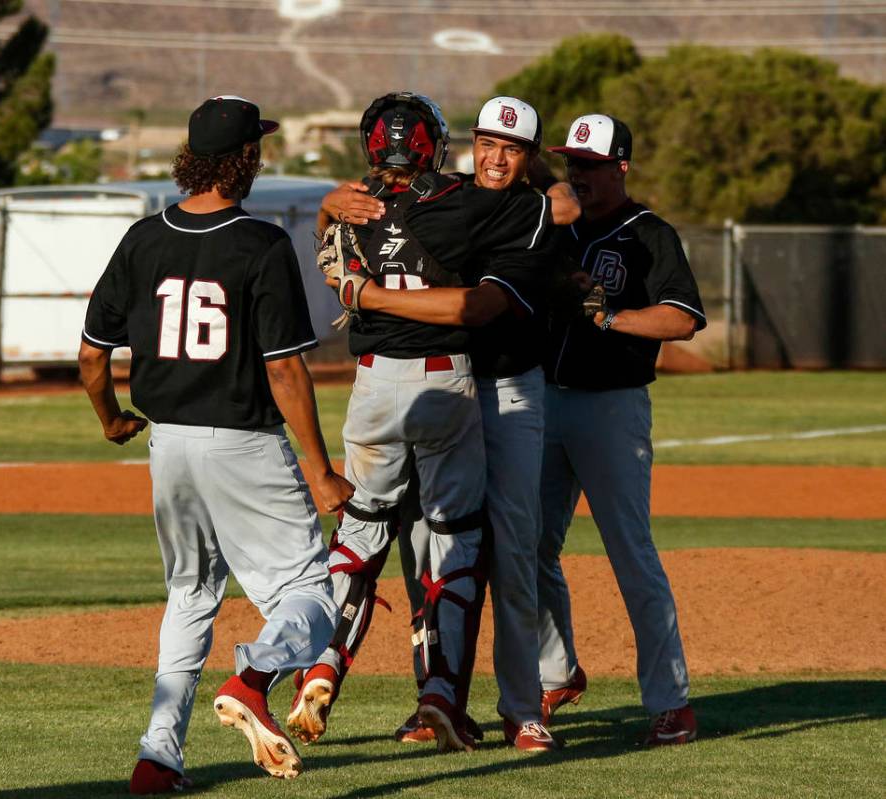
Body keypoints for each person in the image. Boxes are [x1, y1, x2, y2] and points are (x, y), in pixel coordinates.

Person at [287, 91, 580, 754]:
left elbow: (560, 210)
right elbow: (377, 219)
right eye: (489, 143)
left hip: (468, 387)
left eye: (513, 148)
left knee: (456, 540)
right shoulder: (457, 198)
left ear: (529, 158)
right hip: (449, 386)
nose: (497, 156)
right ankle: (439, 695)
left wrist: (346, 245)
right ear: (460, 144)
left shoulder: (516, 209)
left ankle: (512, 703)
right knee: (443, 548)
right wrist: (336, 203)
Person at [78, 95, 353, 793]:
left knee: (190, 595)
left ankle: (157, 754)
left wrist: (111, 417)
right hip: (243, 446)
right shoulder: (259, 243)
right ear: (245, 161)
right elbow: (285, 366)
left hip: (165, 444)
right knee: (313, 595)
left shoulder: (144, 237)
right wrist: (321, 470)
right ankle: (256, 677)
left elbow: (90, 355)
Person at [537, 114, 706, 746]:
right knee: (527, 549)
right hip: (542, 401)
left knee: (631, 554)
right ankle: (556, 673)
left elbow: (683, 319)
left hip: (611, 407)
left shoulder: (650, 233)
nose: (578, 172)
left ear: (621, 167)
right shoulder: (554, 228)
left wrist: (610, 318)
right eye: (571, 162)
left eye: (591, 163)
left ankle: (671, 702)